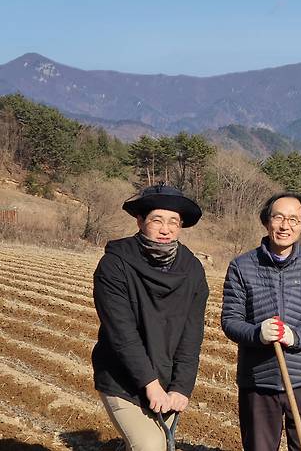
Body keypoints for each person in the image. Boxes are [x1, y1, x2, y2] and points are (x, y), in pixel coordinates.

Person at [92, 184, 209, 451]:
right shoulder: (114, 265)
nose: (165, 229)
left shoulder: (192, 271)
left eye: (173, 222)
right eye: (157, 220)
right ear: (140, 221)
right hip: (122, 376)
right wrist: (150, 384)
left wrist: (181, 387)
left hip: (166, 379)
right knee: (150, 446)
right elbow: (122, 335)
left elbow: (191, 336)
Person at [221, 191, 301, 451]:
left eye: (294, 220)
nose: (285, 226)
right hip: (258, 381)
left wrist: (295, 336)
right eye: (279, 217)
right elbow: (230, 320)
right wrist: (257, 334)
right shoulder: (242, 266)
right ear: (266, 221)